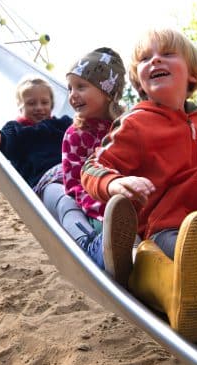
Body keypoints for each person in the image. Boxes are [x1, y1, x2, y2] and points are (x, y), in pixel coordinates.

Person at [81, 28, 197, 343]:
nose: (155, 60)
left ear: (193, 74)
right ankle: (154, 278)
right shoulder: (136, 124)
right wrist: (116, 182)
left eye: (167, 54)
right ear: (139, 80)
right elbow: (92, 167)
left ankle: (166, 284)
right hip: (166, 230)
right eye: (145, 59)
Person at [0, 74, 135, 283]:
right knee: (65, 201)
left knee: (100, 194)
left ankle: (118, 238)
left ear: (52, 104)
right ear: (20, 106)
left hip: (76, 174)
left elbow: (88, 133)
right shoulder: (16, 129)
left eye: (45, 102)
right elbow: (7, 140)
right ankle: (89, 246)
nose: (39, 107)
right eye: (31, 103)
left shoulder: (62, 124)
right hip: (46, 183)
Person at [50, 47, 137, 281]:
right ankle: (95, 249)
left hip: (124, 202)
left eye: (81, 86)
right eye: (70, 88)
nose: (72, 95)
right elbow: (74, 184)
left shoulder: (126, 127)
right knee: (65, 205)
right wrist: (101, 209)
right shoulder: (75, 134)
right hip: (92, 206)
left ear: (107, 91)